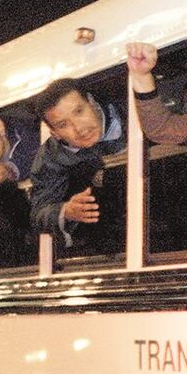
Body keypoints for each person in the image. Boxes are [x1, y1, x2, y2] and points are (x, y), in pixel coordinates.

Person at [30, 78, 126, 249]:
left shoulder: (130, 110)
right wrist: (65, 211)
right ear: (55, 133)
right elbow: (38, 213)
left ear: (91, 101)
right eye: (63, 124)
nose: (79, 128)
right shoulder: (50, 157)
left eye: (79, 111)